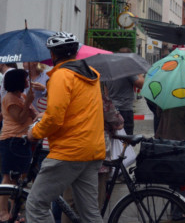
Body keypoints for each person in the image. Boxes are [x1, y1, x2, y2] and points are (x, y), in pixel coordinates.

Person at [26, 32, 106, 223]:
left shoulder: (62, 76)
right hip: (92, 150)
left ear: (53, 55)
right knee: (90, 214)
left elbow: (54, 118)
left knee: (36, 204)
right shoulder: (89, 76)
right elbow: (76, 111)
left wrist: (34, 133)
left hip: (69, 152)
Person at [0, 69, 35, 221]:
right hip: (11, 140)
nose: (28, 82)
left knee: (19, 178)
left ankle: (14, 212)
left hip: (23, 140)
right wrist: (28, 103)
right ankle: (2, 212)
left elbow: (33, 114)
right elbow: (20, 118)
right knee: (8, 177)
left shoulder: (22, 96)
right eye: (25, 79)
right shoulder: (9, 98)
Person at [103, 47, 144, 135]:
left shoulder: (109, 70)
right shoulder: (126, 69)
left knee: (114, 137)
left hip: (112, 110)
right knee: (127, 139)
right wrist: (139, 72)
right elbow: (140, 84)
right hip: (124, 109)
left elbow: (106, 92)